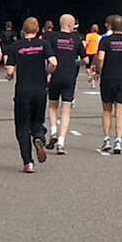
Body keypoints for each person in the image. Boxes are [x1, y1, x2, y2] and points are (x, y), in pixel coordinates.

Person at [5, 18, 54, 173]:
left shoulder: (16, 46)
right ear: (38, 29)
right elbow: (54, 62)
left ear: (23, 30)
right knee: (37, 120)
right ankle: (39, 137)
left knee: (22, 126)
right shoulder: (43, 44)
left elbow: (10, 70)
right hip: (40, 89)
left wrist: (9, 76)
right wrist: (47, 71)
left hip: (23, 91)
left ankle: (28, 162)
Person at [92, 14, 122, 156]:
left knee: (107, 110)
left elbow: (100, 58)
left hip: (108, 78)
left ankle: (107, 140)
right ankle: (118, 140)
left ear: (110, 26)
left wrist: (98, 70)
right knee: (120, 111)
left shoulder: (105, 41)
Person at [44, 14, 84, 152]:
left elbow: (46, 56)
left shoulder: (51, 37)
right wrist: (75, 61)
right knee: (66, 110)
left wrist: (47, 72)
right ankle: (61, 142)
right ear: (70, 24)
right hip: (69, 77)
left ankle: (53, 131)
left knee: (52, 106)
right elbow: (85, 60)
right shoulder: (76, 39)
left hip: (54, 75)